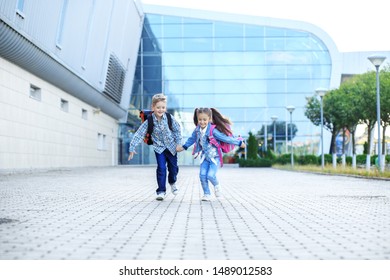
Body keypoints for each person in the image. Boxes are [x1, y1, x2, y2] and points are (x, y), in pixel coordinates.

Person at [176, 108, 246, 201]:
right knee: (202, 175)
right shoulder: (197, 130)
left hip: (215, 158)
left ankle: (217, 186)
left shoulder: (213, 131)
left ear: (209, 119)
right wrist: (183, 147)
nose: (202, 122)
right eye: (200, 119)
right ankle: (206, 194)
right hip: (205, 157)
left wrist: (239, 143)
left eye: (204, 120)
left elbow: (225, 138)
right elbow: (191, 139)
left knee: (210, 175)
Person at [128, 93, 182, 201]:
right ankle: (161, 191)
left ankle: (172, 182)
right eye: (158, 107)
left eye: (163, 107)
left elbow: (177, 130)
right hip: (159, 149)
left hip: (171, 148)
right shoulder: (149, 121)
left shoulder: (169, 118)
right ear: (153, 107)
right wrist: (132, 147)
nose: (161, 110)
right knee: (161, 168)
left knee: (174, 169)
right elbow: (139, 134)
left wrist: (178, 143)